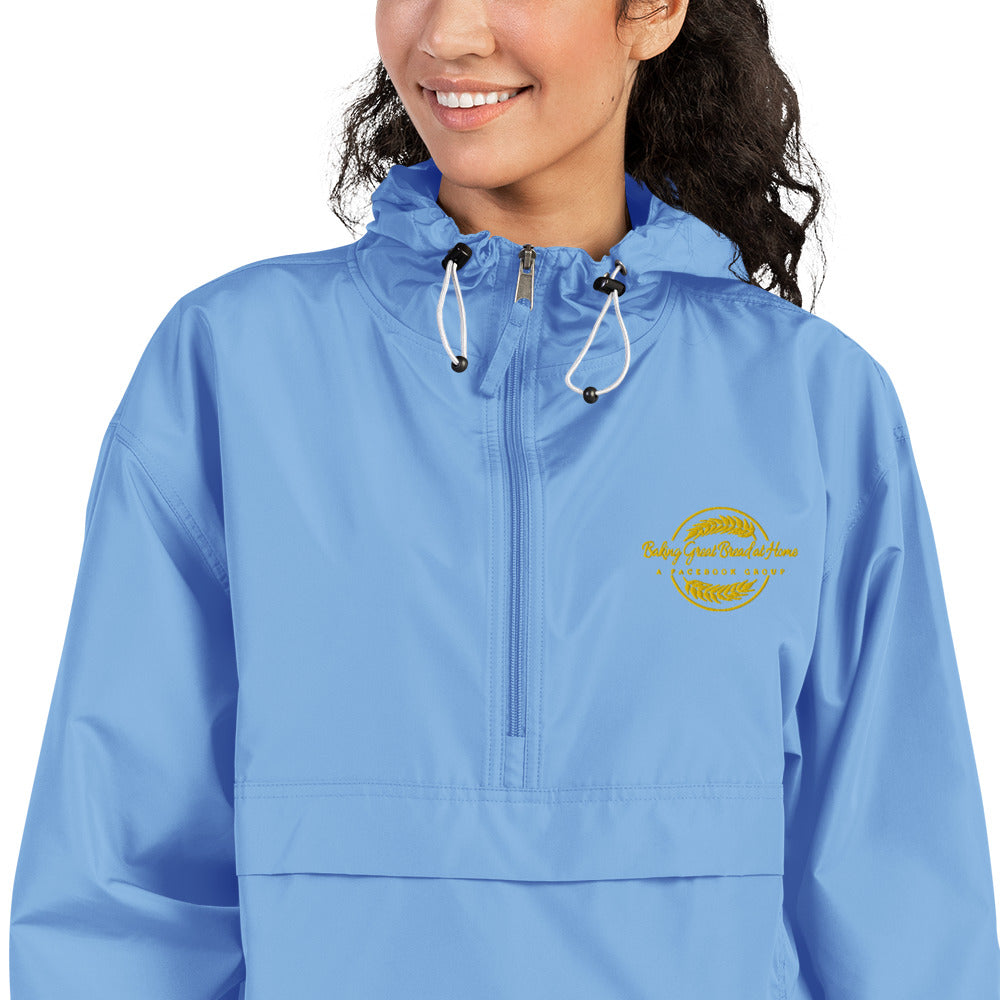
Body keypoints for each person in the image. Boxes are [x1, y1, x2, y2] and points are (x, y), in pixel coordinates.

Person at [9, 0, 1000, 997]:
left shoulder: (809, 399)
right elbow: (117, 880)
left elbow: (900, 896)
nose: (447, 35)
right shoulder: (235, 364)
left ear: (653, 12)